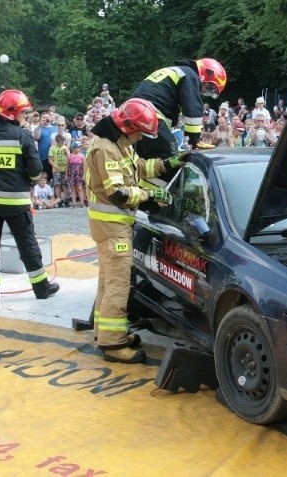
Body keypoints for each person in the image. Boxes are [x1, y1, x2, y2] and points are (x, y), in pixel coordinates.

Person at [85, 98, 189, 363]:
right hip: (113, 227)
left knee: (107, 283)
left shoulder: (119, 145)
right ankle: (112, 344)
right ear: (129, 126)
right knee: (118, 285)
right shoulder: (107, 149)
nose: (142, 136)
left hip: (112, 227)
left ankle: (104, 333)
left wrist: (170, 162)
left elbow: (139, 167)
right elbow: (118, 193)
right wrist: (150, 193)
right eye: (141, 131)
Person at [0, 89, 59, 307]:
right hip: (16, 203)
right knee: (26, 244)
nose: (24, 116)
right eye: (22, 112)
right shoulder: (23, 136)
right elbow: (35, 171)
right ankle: (41, 289)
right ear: (13, 114)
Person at [130, 58, 227, 157]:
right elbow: (192, 108)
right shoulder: (191, 76)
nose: (205, 91)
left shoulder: (176, 71)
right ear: (206, 74)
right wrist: (195, 140)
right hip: (149, 113)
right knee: (170, 157)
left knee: (144, 161)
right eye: (210, 87)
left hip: (132, 113)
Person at [33, 111, 57, 180]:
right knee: (45, 177)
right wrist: (40, 125)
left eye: (47, 117)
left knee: (55, 178)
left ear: (50, 118)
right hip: (44, 156)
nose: (46, 119)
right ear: (41, 119)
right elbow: (36, 137)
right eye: (44, 117)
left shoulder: (55, 128)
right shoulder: (39, 128)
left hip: (55, 156)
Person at [48, 135, 69, 207]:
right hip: (56, 170)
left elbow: (69, 159)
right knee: (57, 185)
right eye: (61, 142)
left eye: (63, 142)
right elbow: (50, 160)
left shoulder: (65, 148)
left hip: (64, 169)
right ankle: (59, 200)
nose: (62, 144)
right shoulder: (52, 148)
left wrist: (67, 153)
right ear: (57, 142)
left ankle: (66, 200)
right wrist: (55, 167)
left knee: (65, 185)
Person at [67, 141, 86, 208]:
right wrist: (67, 174)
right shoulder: (70, 156)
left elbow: (84, 166)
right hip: (72, 174)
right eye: (78, 147)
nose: (79, 148)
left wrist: (84, 175)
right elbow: (68, 166)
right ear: (73, 148)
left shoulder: (82, 156)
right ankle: (74, 203)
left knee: (80, 188)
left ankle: (82, 203)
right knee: (73, 188)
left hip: (79, 174)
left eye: (79, 147)